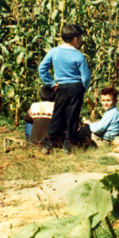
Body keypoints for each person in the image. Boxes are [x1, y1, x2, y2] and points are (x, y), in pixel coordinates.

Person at [38, 24, 91, 154]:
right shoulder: (79, 56)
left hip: (61, 87)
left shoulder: (54, 51)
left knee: (57, 115)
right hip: (76, 88)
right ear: (75, 39)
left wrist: (51, 83)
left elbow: (42, 69)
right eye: (80, 37)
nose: (81, 40)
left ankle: (48, 144)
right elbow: (86, 76)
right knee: (73, 117)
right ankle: (69, 146)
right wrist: (83, 88)